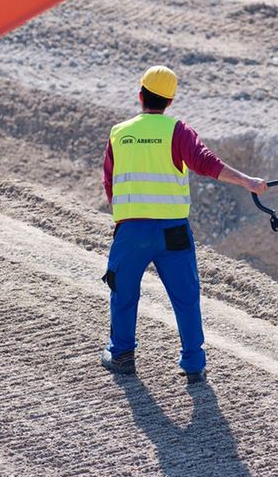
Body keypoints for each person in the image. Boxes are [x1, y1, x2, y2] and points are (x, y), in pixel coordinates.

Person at [100, 65, 267, 383]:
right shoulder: (177, 130)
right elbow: (206, 163)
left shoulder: (119, 133)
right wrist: (248, 181)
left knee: (123, 292)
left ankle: (122, 355)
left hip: (132, 230)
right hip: (173, 231)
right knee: (186, 297)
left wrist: (125, 216)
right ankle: (193, 364)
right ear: (170, 101)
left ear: (140, 95)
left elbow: (110, 182)